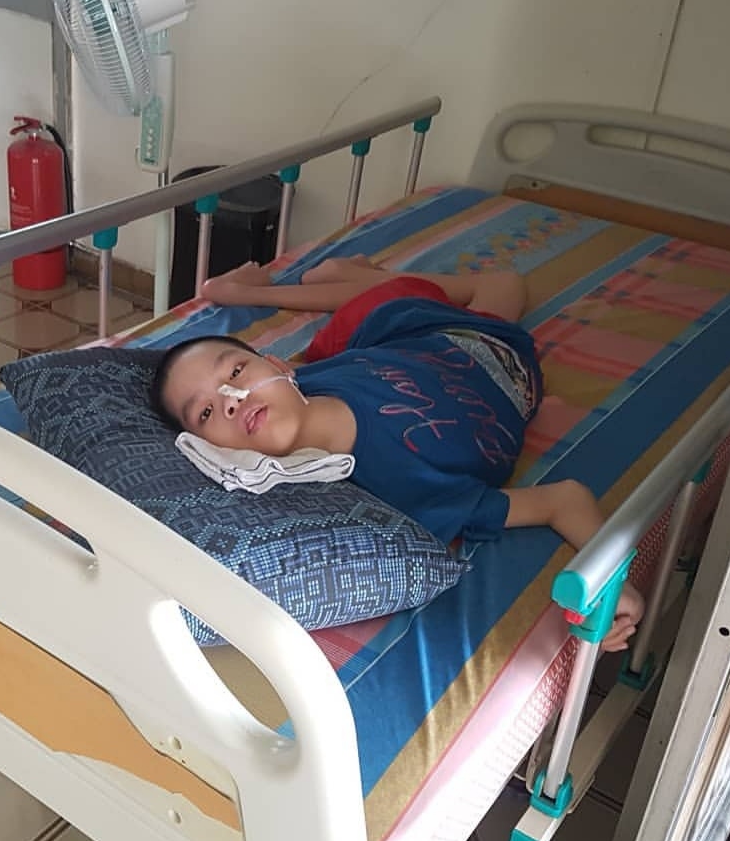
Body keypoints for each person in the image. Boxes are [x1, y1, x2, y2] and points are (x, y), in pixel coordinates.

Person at [151, 256, 643, 652]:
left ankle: (248, 293)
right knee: (499, 286)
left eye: (236, 372)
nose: (232, 400)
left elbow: (566, 500)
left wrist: (612, 580)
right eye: (206, 412)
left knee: (500, 284)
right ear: (208, 448)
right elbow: (562, 500)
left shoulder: (304, 379)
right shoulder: (402, 495)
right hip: (494, 362)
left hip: (441, 334)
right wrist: (613, 583)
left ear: (278, 366)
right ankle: (346, 277)